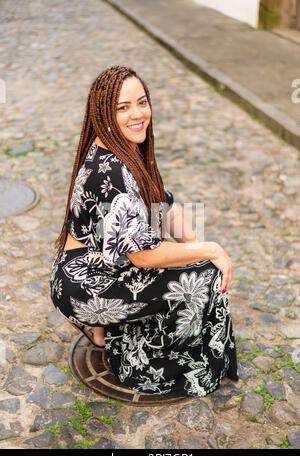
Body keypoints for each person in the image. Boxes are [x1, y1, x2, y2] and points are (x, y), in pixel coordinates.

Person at [50, 65, 238, 396]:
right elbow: (145, 257)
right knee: (203, 277)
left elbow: (159, 200)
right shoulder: (112, 172)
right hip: (85, 282)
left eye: (142, 102)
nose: (137, 114)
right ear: (104, 112)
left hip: (91, 263)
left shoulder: (121, 145)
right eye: (123, 108)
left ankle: (104, 329)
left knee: (188, 260)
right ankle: (148, 360)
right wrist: (210, 251)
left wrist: (192, 243)